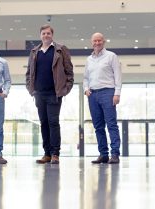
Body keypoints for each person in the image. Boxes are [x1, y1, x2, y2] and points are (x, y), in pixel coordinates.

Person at [26, 25, 74, 164]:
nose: (46, 35)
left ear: (52, 35)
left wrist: (65, 89)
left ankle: (55, 154)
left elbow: (69, 71)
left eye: (48, 33)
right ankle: (46, 154)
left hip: (54, 94)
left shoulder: (60, 49)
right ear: (40, 35)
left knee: (53, 123)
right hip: (39, 94)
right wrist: (31, 89)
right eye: (43, 33)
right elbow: (29, 72)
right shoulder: (35, 51)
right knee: (43, 123)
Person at [83, 32, 122, 164]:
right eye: (95, 41)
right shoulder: (89, 59)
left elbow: (118, 75)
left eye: (99, 40)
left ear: (104, 42)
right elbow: (85, 78)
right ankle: (103, 154)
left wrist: (117, 93)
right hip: (93, 95)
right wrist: (86, 89)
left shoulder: (111, 56)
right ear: (92, 42)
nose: (97, 43)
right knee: (98, 126)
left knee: (111, 125)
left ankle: (115, 154)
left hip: (108, 92)